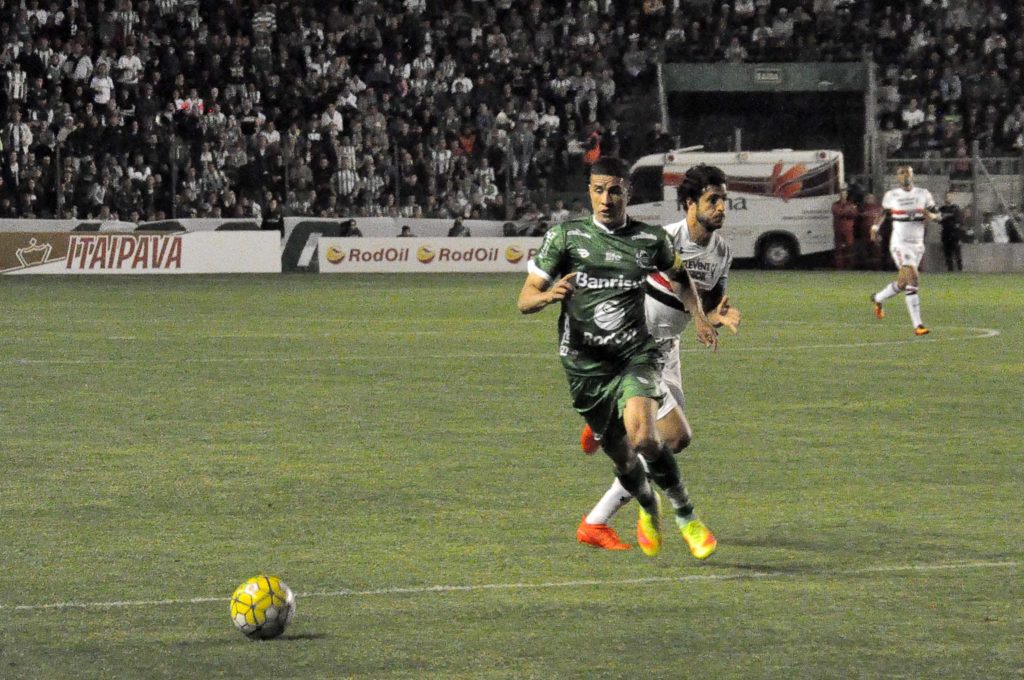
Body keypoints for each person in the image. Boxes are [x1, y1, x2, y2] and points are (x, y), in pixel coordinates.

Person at [517, 156, 719, 560]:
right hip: (585, 366)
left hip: (634, 356)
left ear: (628, 191)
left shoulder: (650, 240)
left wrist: (698, 315)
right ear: (589, 191)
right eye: (597, 190)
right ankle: (648, 506)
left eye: (614, 190)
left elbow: (681, 279)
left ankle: (686, 515)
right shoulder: (564, 238)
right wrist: (548, 296)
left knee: (646, 437)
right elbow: (524, 300)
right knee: (624, 460)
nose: (605, 199)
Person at [576, 164, 739, 555]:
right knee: (674, 436)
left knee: (669, 444)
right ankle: (610, 514)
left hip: (669, 351)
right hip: (635, 347)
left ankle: (608, 433)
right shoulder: (663, 239)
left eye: (724, 201)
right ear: (688, 204)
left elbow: (711, 304)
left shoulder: (722, 253)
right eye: (711, 200)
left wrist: (717, 317)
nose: (720, 208)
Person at [869, 166, 939, 336]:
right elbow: (882, 213)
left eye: (907, 173)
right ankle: (918, 326)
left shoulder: (923, 194)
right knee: (913, 279)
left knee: (902, 283)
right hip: (900, 244)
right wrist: (874, 228)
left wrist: (930, 215)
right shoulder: (891, 195)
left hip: (917, 245)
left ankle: (877, 298)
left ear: (912, 175)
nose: (904, 176)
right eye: (901, 173)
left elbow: (937, 215)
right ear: (897, 177)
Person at [831, 186, 859, 269]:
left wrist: (846, 212)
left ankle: (850, 267)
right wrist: (848, 211)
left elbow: (855, 214)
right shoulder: (835, 204)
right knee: (838, 249)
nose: (843, 195)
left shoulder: (851, 204)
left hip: (848, 230)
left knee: (849, 248)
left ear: (847, 195)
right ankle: (839, 267)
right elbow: (837, 212)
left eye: (845, 193)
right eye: (841, 193)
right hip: (838, 229)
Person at [938, 192, 964, 271]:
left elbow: (959, 221)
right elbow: (939, 220)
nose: (947, 198)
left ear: (952, 198)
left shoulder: (956, 208)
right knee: (947, 253)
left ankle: (960, 269)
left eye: (949, 197)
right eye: (946, 197)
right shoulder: (942, 209)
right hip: (945, 233)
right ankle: (950, 269)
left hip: (954, 234)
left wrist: (956, 229)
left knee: (957, 252)